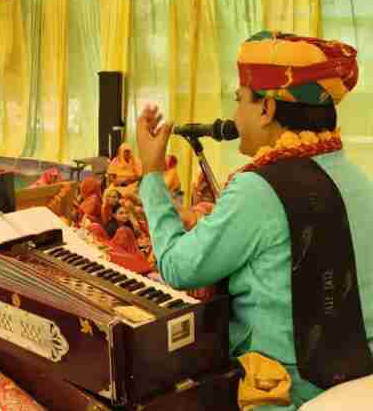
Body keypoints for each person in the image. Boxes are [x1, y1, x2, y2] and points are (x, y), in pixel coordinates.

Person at [135, 31, 373, 409]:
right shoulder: (360, 181)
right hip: (359, 382)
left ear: (267, 110)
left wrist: (150, 173)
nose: (234, 116)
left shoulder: (258, 189)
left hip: (285, 394)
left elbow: (178, 267)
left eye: (239, 101)